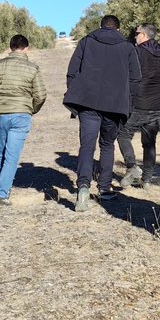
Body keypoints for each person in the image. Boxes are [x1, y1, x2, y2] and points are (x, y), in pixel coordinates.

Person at [63, 14, 141, 211]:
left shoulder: (87, 41)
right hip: (115, 105)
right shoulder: (128, 47)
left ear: (101, 26)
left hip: (88, 103)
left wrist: (76, 97)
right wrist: (128, 103)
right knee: (107, 145)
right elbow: (135, 79)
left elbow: (72, 72)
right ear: (118, 28)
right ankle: (105, 189)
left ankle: (83, 187)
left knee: (86, 146)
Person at [0, 34, 47, 207]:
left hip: (0, 114)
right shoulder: (32, 68)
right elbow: (40, 95)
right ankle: (1, 195)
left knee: (0, 154)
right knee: (11, 156)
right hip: (21, 115)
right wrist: (31, 109)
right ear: (26, 48)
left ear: (10, 48)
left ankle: (1, 190)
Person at [117, 24, 160, 189]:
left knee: (123, 133)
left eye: (136, 34)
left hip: (139, 104)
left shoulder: (136, 53)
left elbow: (127, 76)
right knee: (149, 143)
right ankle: (147, 180)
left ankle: (132, 167)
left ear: (143, 35)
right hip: (158, 106)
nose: (134, 37)